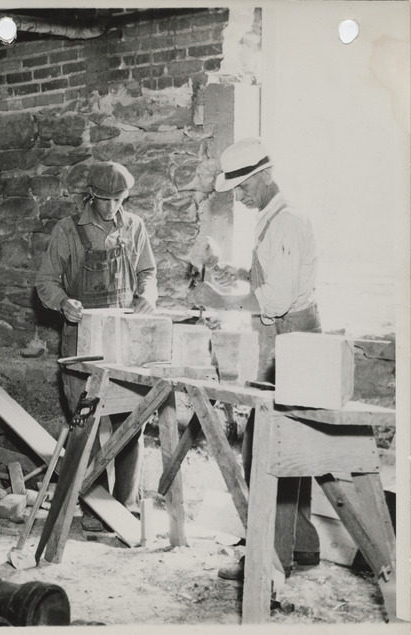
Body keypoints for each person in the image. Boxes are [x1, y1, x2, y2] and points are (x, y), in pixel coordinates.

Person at [190, 137, 321, 582]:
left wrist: (220, 299)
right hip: (283, 340)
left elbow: (279, 300)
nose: (240, 198)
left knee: (266, 450)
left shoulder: (286, 221)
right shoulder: (273, 219)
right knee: (286, 447)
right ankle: (300, 544)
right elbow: (276, 277)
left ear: (263, 177)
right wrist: (241, 273)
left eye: (243, 188)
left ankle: (268, 562)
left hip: (292, 340)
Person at [36, 161, 158, 517]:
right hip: (81, 340)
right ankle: (93, 504)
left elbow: (147, 272)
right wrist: (62, 302)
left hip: (122, 340)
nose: (110, 207)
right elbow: (45, 280)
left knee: (131, 422)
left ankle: (125, 504)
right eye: (103, 199)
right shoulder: (67, 230)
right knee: (85, 420)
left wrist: (148, 295)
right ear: (91, 195)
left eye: (118, 199)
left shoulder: (134, 227)